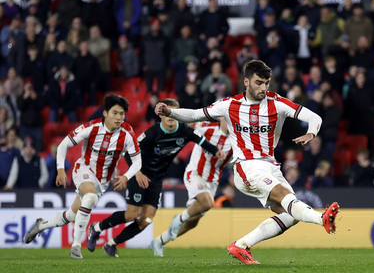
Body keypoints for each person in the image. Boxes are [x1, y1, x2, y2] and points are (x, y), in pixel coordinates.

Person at [154, 60, 339, 264]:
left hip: (271, 167)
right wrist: (170, 113)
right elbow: (195, 115)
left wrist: (311, 132)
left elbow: (314, 117)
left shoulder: (277, 103)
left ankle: (242, 245)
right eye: (259, 83)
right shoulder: (229, 105)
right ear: (246, 82)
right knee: (286, 197)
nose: (264, 88)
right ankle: (322, 219)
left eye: (267, 83)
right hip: (246, 167)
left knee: (291, 215)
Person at [88, 100, 226, 257]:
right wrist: (137, 173)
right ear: (161, 115)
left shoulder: (184, 131)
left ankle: (111, 244)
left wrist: (216, 152)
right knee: (132, 214)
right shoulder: (152, 133)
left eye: (173, 112)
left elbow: (203, 142)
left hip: (157, 179)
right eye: (167, 112)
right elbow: (128, 153)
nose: (170, 116)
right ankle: (97, 227)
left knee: (146, 220)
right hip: (140, 174)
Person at [23, 95, 141, 259]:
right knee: (90, 197)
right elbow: (64, 144)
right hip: (84, 169)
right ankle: (76, 246)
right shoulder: (92, 127)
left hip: (103, 181)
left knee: (72, 215)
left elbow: (137, 162)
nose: (119, 117)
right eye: (115, 113)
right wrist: (61, 169)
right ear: (105, 113)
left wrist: (127, 176)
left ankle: (41, 225)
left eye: (122, 114)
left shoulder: (127, 133)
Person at [141, 18, 170, 93]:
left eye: (157, 25)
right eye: (154, 25)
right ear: (150, 26)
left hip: (161, 67)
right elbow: (141, 52)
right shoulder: (145, 39)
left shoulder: (165, 39)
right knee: (149, 90)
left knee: (161, 90)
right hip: (148, 67)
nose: (156, 27)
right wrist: (143, 64)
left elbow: (167, 53)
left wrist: (166, 66)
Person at [17, 79, 45, 151]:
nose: (29, 87)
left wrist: (35, 98)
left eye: (30, 85)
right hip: (24, 127)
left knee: (38, 146)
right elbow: (20, 107)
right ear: (24, 86)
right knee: (23, 146)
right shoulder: (20, 97)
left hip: (36, 127)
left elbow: (41, 107)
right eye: (27, 85)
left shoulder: (38, 96)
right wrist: (25, 97)